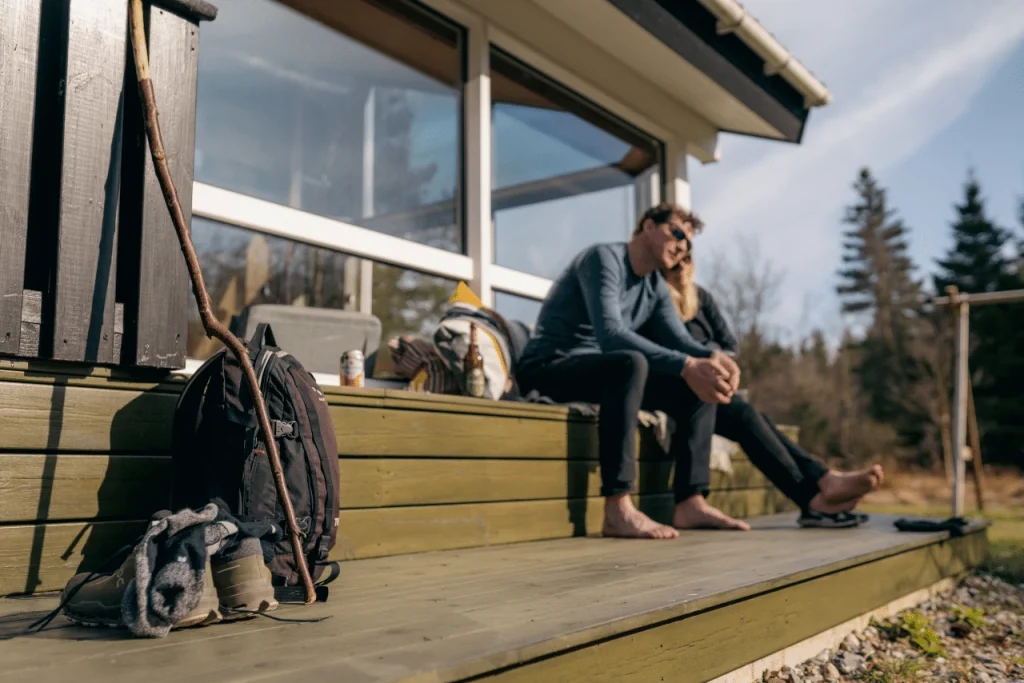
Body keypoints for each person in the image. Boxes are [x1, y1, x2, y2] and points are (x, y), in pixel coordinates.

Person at [516, 203, 747, 540]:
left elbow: (680, 341)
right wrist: (687, 365)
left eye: (688, 243)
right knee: (632, 362)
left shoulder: (655, 286)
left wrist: (713, 358)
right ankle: (618, 508)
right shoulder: (603, 259)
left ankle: (690, 501)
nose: (682, 247)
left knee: (698, 384)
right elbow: (611, 335)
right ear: (648, 226)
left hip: (603, 374)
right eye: (677, 233)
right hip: (549, 367)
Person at [660, 247, 884, 526]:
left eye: (687, 258)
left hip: (710, 385)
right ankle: (816, 494)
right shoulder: (656, 296)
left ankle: (820, 486)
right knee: (743, 413)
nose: (682, 265)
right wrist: (700, 359)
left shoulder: (701, 297)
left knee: (750, 417)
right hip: (675, 384)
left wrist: (715, 357)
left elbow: (728, 343)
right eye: (675, 260)